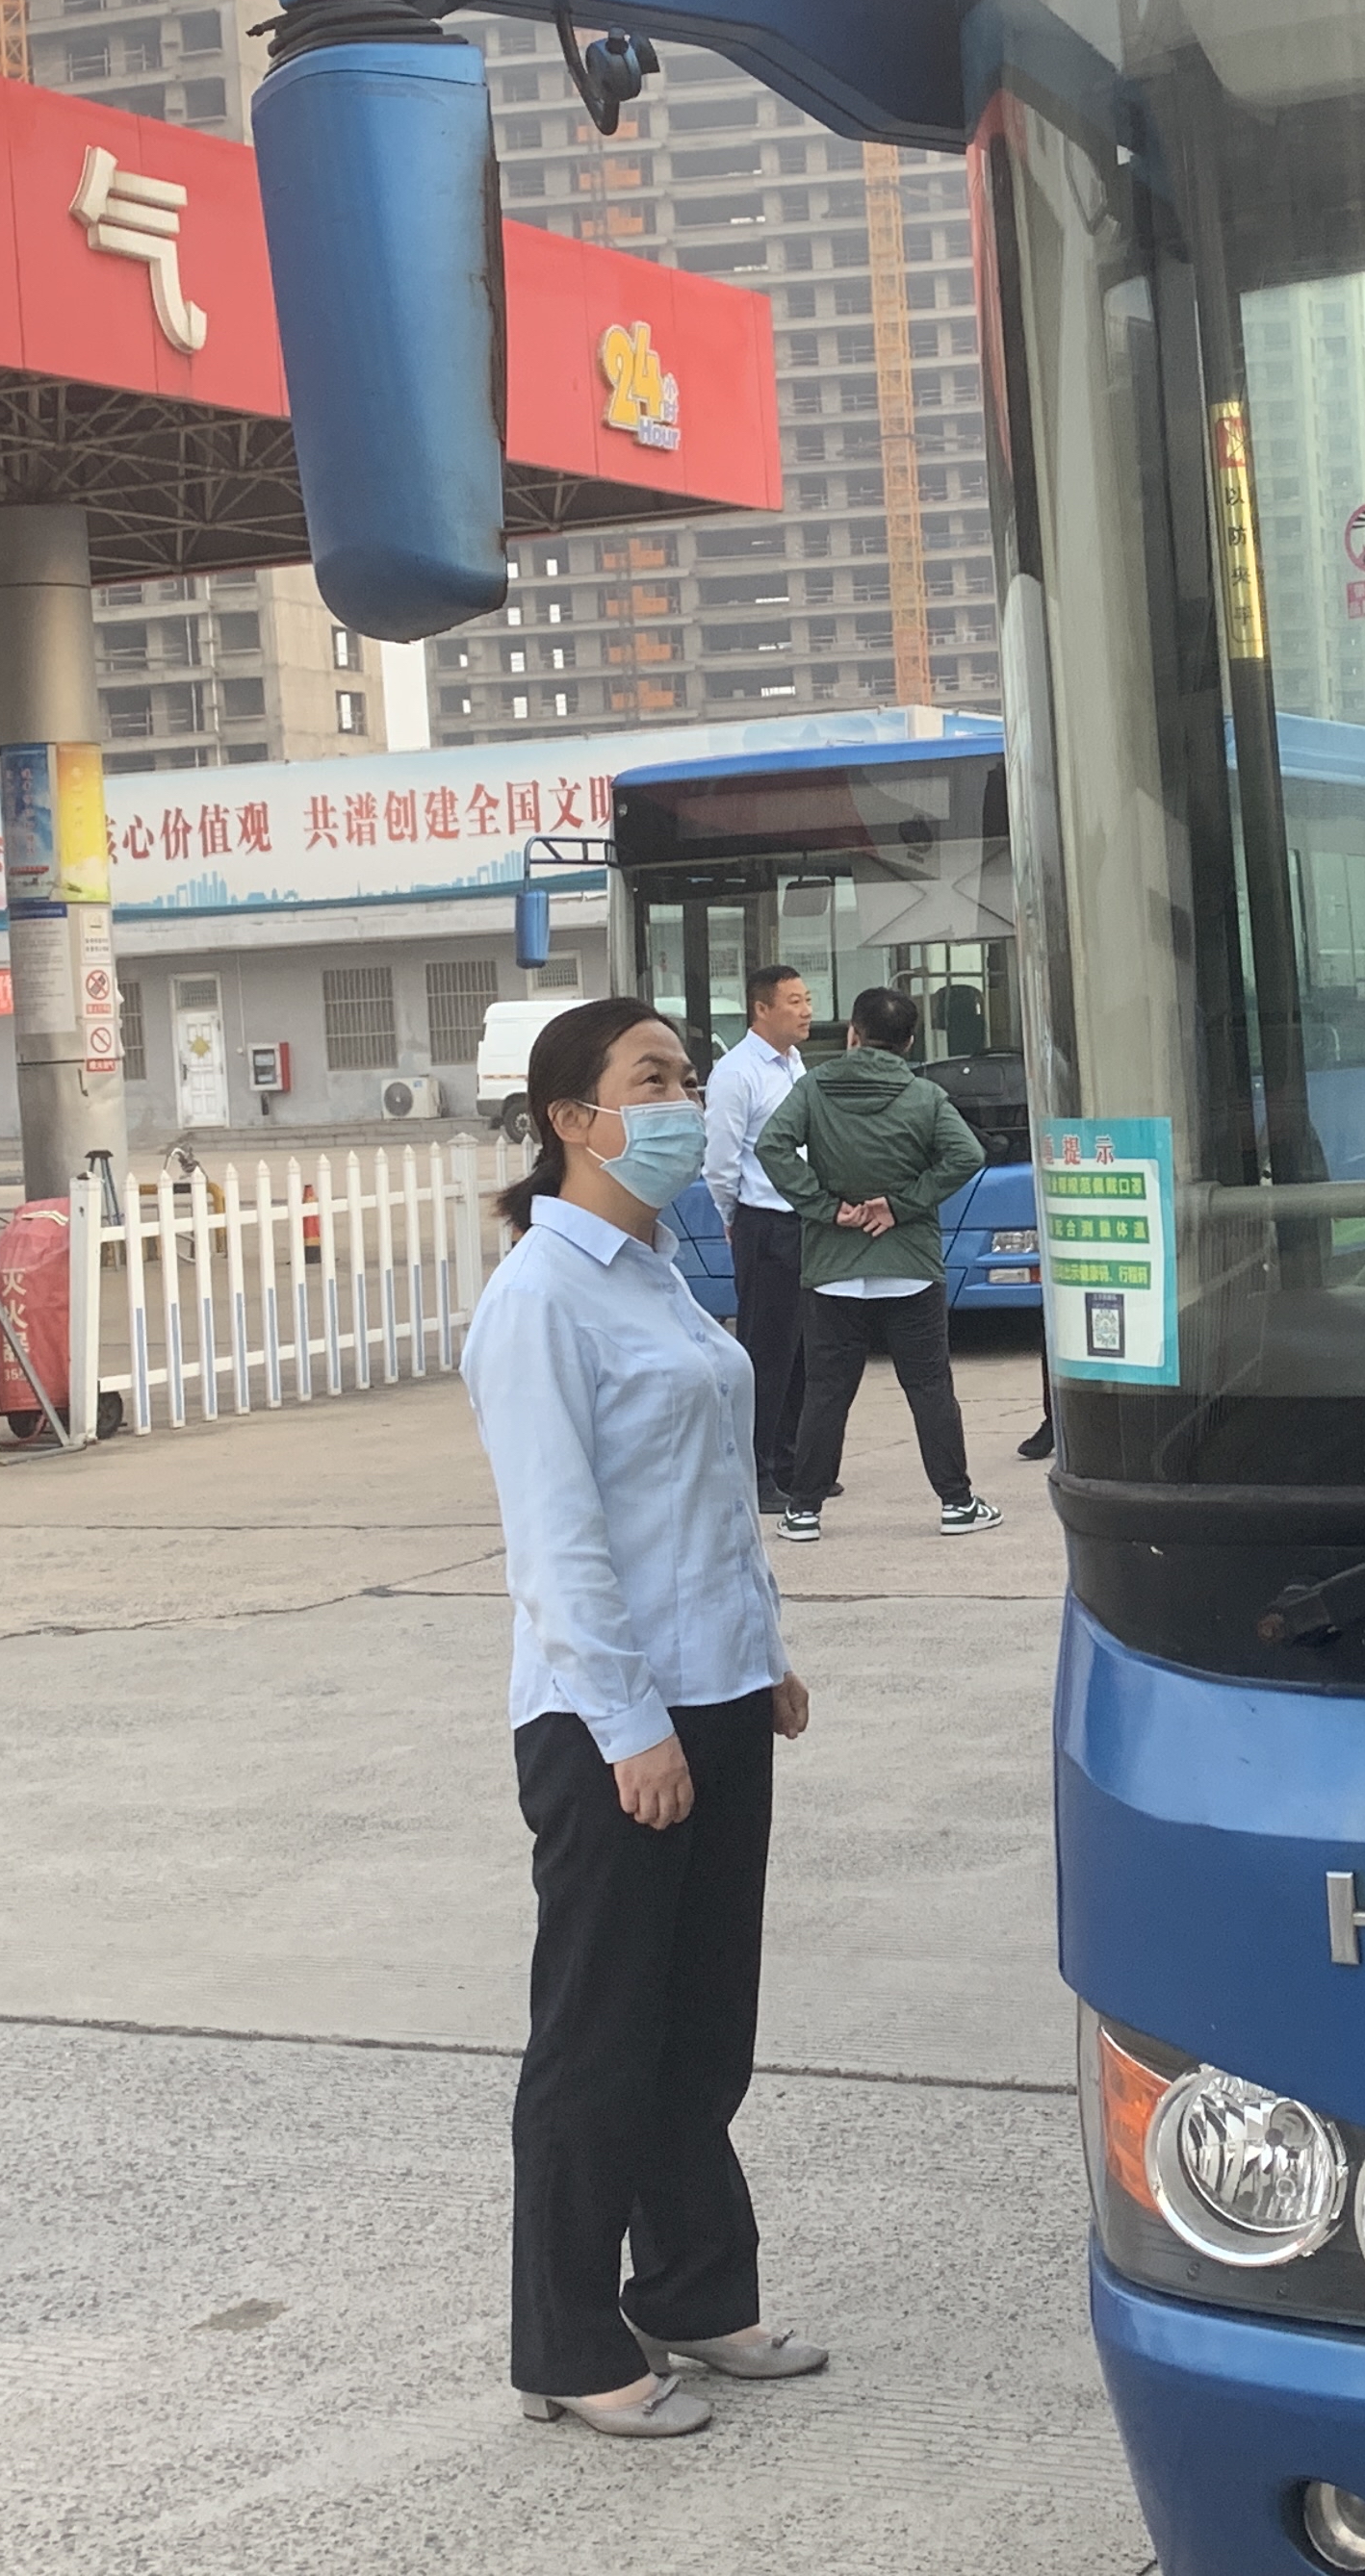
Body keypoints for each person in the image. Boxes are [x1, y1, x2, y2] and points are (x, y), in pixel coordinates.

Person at [461, 996, 833, 2441]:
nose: (683, 1100)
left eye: (687, 1074)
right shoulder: (541, 1299)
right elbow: (558, 1547)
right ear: (574, 1120)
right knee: (601, 2037)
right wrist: (630, 1727)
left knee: (703, 2030)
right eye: (654, 1079)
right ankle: (565, 2341)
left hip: (718, 1690)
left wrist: (763, 1652)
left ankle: (690, 2290)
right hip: (612, 1720)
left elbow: (706, 1495)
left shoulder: (661, 1270)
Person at [759, 984, 1000, 1542]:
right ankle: (957, 1503)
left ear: (853, 1034)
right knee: (929, 1387)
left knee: (826, 1391)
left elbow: (772, 1146)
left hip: (834, 1267)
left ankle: (803, 1511)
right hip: (910, 1264)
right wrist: (900, 1204)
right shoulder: (924, 1096)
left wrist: (825, 1207)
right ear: (910, 1041)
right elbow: (967, 1154)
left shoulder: (814, 1087)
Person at [700, 962, 815, 1514]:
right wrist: (733, 1216)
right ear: (761, 1009)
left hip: (804, 1222)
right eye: (794, 1001)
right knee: (766, 1355)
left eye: (807, 999)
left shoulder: (795, 1065)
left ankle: (793, 1464)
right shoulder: (736, 1073)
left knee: (802, 1352)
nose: (806, 1010)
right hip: (764, 1223)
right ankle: (757, 1470)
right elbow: (721, 1161)